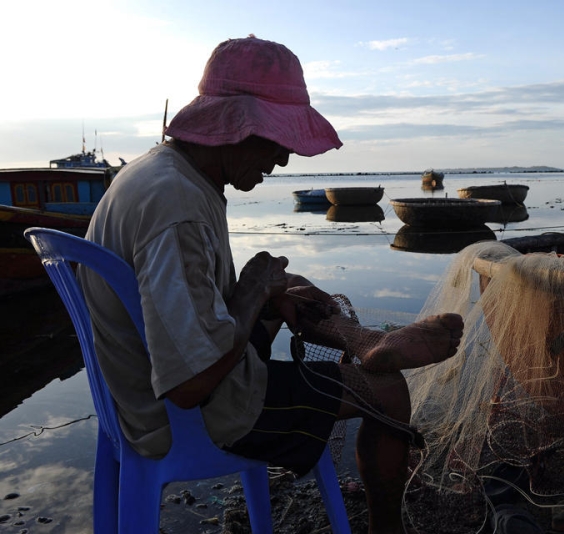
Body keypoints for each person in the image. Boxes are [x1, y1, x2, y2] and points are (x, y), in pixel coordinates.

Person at [78, 35, 464, 534]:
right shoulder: (176, 206)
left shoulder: (162, 171)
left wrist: (263, 291)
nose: (282, 161)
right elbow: (190, 385)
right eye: (279, 140)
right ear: (237, 127)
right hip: (187, 415)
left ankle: (364, 341)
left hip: (136, 390)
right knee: (387, 392)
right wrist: (249, 293)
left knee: (285, 284)